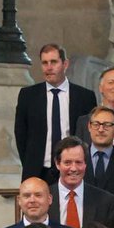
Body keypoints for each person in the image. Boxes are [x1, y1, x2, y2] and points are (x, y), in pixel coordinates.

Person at [13, 43, 97, 180]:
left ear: (65, 64)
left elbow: (89, 135)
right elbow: (21, 134)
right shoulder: (28, 95)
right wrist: (31, 163)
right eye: (44, 63)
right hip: (38, 171)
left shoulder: (85, 97)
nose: (49, 67)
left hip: (73, 171)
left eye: (54, 62)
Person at [49, 137, 114, 228]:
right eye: (67, 163)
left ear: (85, 164)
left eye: (78, 162)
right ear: (57, 163)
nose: (73, 168)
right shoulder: (43, 198)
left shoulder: (105, 201)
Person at [79, 102, 114, 205]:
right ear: (89, 127)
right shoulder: (77, 159)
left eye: (107, 125)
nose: (101, 129)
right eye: (96, 124)